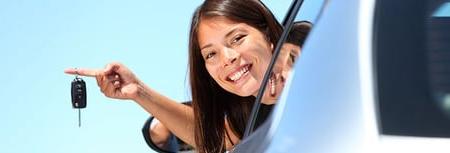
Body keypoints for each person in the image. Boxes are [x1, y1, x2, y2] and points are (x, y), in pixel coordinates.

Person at [64, 0, 297, 152]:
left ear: (267, 34)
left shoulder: (308, 45)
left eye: (237, 38)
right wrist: (138, 91)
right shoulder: (249, 118)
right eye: (210, 54)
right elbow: (212, 136)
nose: (227, 58)